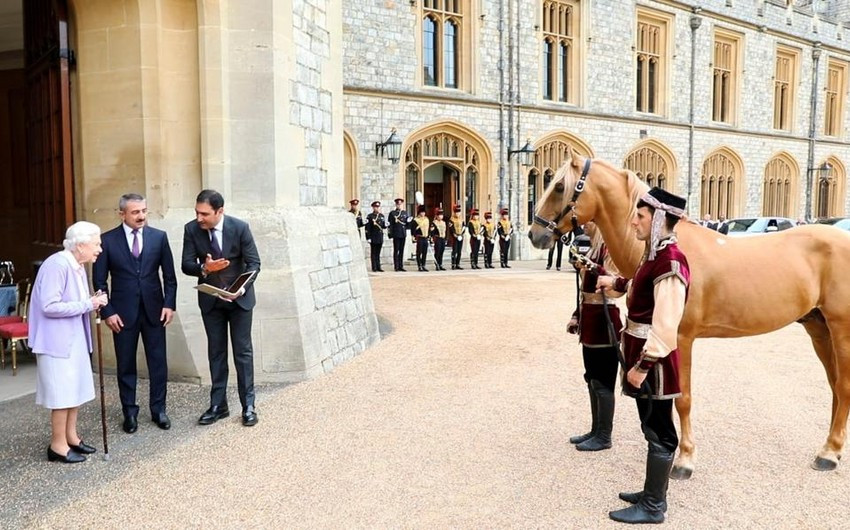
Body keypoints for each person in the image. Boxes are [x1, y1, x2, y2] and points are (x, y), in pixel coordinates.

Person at [597, 187, 690, 524]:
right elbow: (641, 286)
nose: (633, 222)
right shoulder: (653, 256)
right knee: (651, 426)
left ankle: (653, 506)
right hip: (643, 358)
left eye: (640, 216)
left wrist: (642, 366)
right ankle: (652, 493)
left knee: (661, 430)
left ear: (659, 219)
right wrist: (617, 283)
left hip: (655, 365)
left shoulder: (671, 262)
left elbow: (666, 325)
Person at [93, 193, 177, 434]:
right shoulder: (107, 241)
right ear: (122, 214)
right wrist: (108, 312)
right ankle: (129, 412)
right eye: (135, 212)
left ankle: (159, 410)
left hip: (154, 311)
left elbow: (169, 277)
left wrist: (169, 304)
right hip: (122, 314)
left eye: (143, 211)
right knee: (126, 364)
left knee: (158, 363)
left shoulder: (159, 237)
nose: (141, 216)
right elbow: (99, 282)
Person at [30, 221, 109, 463]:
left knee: (74, 390)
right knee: (62, 394)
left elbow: (73, 300)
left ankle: (71, 437)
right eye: (96, 244)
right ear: (81, 245)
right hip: (56, 343)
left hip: (73, 339)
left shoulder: (77, 265)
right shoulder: (57, 265)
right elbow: (49, 305)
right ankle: (57, 445)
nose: (100, 249)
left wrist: (91, 300)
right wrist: (88, 304)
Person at [182, 190, 261, 427]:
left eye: (204, 214)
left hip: (239, 301)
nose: (199, 218)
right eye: (197, 212)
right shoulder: (191, 229)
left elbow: (254, 263)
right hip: (211, 301)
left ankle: (248, 406)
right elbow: (186, 265)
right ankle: (218, 405)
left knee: (243, 353)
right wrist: (205, 269)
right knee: (216, 353)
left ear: (220, 211)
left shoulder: (240, 228)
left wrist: (241, 289)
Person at [566, 222, 623, 452]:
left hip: (604, 322)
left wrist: (591, 267)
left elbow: (614, 285)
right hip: (590, 321)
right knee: (591, 379)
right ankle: (595, 429)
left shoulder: (610, 251)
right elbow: (586, 293)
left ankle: (604, 435)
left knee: (603, 381)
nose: (584, 225)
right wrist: (576, 316)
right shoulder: (593, 249)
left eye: (589, 221)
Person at [387, 198, 410, 272]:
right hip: (396, 234)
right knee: (396, 250)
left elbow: (407, 224)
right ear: (396, 205)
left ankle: (401, 266)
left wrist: (409, 222)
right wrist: (390, 234)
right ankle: (396, 266)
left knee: (401, 250)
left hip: (403, 234)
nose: (399, 206)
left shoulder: (404, 213)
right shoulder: (392, 213)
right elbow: (390, 225)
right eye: (398, 204)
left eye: (400, 204)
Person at [364, 201, 387, 272]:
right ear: (373, 208)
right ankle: (374, 267)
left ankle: (378, 266)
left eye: (377, 207)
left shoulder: (381, 216)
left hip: (379, 236)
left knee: (378, 253)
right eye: (375, 207)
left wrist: (386, 225)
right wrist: (368, 237)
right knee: (373, 253)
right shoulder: (370, 216)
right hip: (373, 236)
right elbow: (367, 228)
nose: (376, 208)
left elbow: (383, 226)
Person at [410, 205, 431, 272]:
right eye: (422, 212)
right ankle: (419, 266)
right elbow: (413, 230)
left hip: (425, 237)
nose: (423, 213)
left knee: (425, 252)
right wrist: (413, 236)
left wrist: (429, 236)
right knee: (419, 252)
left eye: (424, 212)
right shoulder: (416, 220)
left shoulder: (426, 219)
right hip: (420, 237)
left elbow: (428, 228)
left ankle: (423, 265)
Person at [447, 205, 466, 270]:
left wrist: (462, 234)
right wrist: (454, 234)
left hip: (460, 236)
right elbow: (451, 228)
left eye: (459, 212)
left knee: (459, 251)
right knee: (454, 251)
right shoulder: (451, 220)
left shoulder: (462, 219)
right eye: (456, 212)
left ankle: (458, 264)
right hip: (454, 237)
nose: (457, 214)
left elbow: (464, 227)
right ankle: (453, 264)